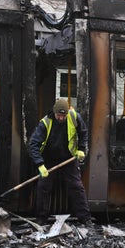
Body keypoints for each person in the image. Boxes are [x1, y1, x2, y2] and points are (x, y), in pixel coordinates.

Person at [27, 97, 92, 226]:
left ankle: (85, 218)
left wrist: (81, 149)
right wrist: (40, 165)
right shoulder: (45, 123)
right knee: (43, 187)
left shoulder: (74, 117)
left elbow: (83, 133)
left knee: (76, 187)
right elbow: (33, 144)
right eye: (59, 115)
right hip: (49, 159)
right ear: (54, 112)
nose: (61, 118)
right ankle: (41, 219)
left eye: (64, 115)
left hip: (69, 158)